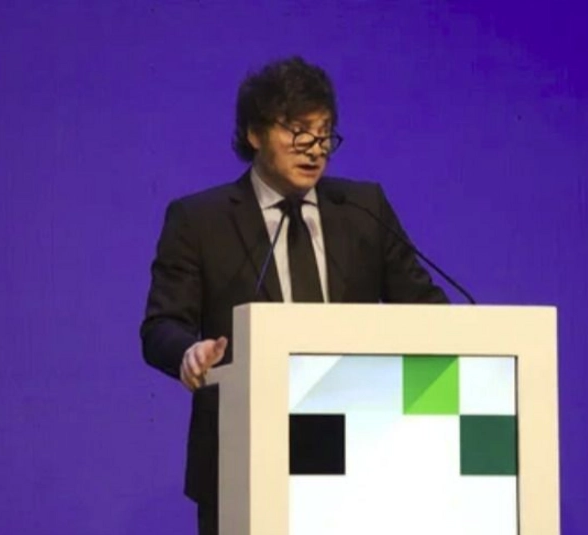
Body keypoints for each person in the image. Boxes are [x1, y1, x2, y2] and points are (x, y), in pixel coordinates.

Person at [139, 56, 448, 535]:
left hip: (357, 454)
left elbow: (426, 308)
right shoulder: (200, 221)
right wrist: (189, 353)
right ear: (254, 133)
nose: (315, 149)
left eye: (324, 134)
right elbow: (161, 325)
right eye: (298, 132)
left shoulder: (363, 208)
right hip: (244, 456)